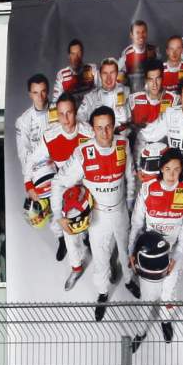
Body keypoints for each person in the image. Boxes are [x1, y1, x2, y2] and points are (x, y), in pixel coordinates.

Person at [53, 107, 131, 317]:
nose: (104, 133)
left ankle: (130, 280)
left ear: (114, 126)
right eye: (99, 128)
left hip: (122, 210)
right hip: (98, 216)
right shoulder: (82, 153)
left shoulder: (124, 143)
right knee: (100, 259)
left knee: (125, 249)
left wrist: (131, 203)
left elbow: (130, 176)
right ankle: (103, 293)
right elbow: (58, 182)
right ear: (93, 129)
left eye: (108, 127)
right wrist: (58, 216)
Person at [127, 148, 183, 348]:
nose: (172, 174)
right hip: (148, 252)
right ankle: (140, 331)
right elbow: (137, 223)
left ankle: (166, 319)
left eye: (176, 169)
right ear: (161, 169)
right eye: (167, 169)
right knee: (147, 296)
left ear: (182, 169)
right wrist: (132, 251)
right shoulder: (148, 188)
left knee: (169, 291)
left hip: (174, 251)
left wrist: (177, 255)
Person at [80, 58, 131, 131]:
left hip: (124, 138)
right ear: (100, 75)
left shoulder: (128, 92)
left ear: (117, 74)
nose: (108, 78)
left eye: (112, 73)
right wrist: (94, 131)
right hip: (99, 138)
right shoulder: (90, 98)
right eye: (105, 73)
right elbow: (79, 119)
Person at [13, 72, 53, 164]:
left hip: (61, 166)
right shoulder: (22, 121)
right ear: (30, 95)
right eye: (35, 93)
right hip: (38, 170)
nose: (40, 97)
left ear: (47, 91)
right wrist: (29, 177)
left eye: (43, 91)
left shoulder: (60, 111)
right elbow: (24, 155)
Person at [52, 39, 94, 106]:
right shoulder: (62, 74)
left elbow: (100, 91)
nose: (76, 57)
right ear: (69, 56)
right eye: (73, 54)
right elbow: (55, 101)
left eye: (78, 53)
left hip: (90, 112)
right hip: (71, 113)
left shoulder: (91, 69)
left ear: (82, 54)